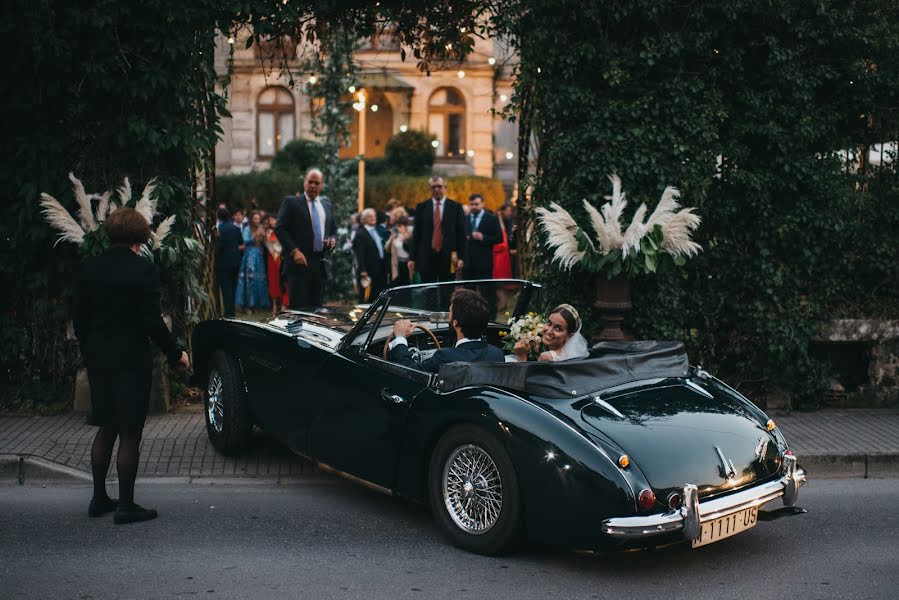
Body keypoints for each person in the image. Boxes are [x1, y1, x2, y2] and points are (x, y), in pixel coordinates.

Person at [74, 208, 190, 524]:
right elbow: (151, 320)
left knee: (106, 425)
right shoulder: (143, 270)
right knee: (129, 431)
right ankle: (125, 505)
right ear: (140, 237)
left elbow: (79, 317)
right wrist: (175, 352)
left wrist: (89, 350)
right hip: (130, 359)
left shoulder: (90, 268)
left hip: (99, 358)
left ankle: (99, 498)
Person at [389, 288, 504, 373]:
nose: (448, 316)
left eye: (450, 313)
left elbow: (408, 371)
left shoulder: (445, 357)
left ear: (455, 323)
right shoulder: (497, 355)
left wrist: (400, 337)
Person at [275, 168, 337, 308]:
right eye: (310, 182)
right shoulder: (291, 203)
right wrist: (294, 251)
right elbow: (280, 229)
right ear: (304, 182)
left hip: (320, 265)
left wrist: (332, 239)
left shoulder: (327, 206)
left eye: (317, 183)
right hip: (299, 264)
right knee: (299, 310)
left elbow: (333, 229)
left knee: (317, 311)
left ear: (322, 185)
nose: (313, 186)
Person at [408, 176, 466, 283]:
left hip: (448, 257)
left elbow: (461, 233)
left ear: (445, 188)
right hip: (426, 257)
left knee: (447, 292)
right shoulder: (421, 207)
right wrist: (412, 258)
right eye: (433, 187)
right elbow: (416, 234)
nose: (436, 189)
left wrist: (461, 257)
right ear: (429, 189)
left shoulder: (456, 207)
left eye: (439, 186)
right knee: (428, 292)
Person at [512, 304, 589, 362]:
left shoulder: (547, 358)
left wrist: (521, 357)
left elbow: (520, 382)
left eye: (558, 328)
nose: (549, 331)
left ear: (570, 335)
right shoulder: (572, 356)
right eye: (549, 323)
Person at [235, 210, 270, 313]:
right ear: (251, 219)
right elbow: (245, 241)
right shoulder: (247, 229)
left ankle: (258, 304)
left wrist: (264, 236)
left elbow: (267, 243)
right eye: (255, 218)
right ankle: (247, 305)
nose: (257, 221)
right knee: (249, 280)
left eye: (258, 219)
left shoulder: (262, 228)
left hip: (259, 255)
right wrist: (255, 235)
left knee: (260, 280)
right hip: (250, 256)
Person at [352, 208, 388, 303]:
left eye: (374, 216)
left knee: (376, 295)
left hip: (379, 268)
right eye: (370, 216)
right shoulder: (361, 234)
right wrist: (363, 270)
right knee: (364, 297)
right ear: (363, 219)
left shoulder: (375, 231)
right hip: (368, 270)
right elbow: (359, 254)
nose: (373, 218)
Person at [464, 194, 501, 280]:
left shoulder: (492, 218)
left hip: (484, 262)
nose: (473, 207)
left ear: (483, 204)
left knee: (486, 290)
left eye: (476, 204)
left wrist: (483, 237)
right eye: (471, 204)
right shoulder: (465, 218)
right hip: (468, 263)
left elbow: (499, 238)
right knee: (468, 291)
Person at [215, 207, 243, 318]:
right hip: (235, 261)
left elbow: (220, 245)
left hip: (223, 262)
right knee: (233, 287)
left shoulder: (220, 228)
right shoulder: (235, 228)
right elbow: (240, 243)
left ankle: (228, 312)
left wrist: (215, 253)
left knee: (226, 288)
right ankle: (232, 311)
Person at [264, 214, 289, 314]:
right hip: (272, 258)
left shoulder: (283, 230)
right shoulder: (268, 232)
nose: (271, 222)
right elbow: (268, 244)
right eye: (270, 220)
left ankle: (284, 304)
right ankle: (275, 305)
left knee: (284, 281)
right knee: (273, 281)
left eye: (273, 219)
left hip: (282, 257)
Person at [385, 214, 412, 287]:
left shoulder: (410, 235)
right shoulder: (395, 236)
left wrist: (406, 240)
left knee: (407, 284)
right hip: (397, 264)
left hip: (408, 264)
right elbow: (387, 249)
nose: (399, 228)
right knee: (397, 283)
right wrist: (391, 239)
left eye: (402, 226)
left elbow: (412, 249)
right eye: (398, 226)